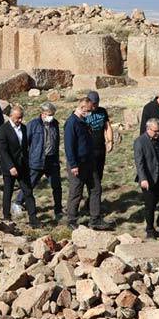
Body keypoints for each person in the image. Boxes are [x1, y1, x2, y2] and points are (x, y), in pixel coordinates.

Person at [15, 101, 62, 221]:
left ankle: (58, 210)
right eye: (49, 114)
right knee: (30, 184)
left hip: (52, 160)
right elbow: (25, 142)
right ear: (43, 113)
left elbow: (56, 142)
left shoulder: (55, 124)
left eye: (52, 114)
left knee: (57, 186)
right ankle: (17, 203)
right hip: (37, 160)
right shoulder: (33, 125)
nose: (51, 117)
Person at [64, 97, 103, 229]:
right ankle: (71, 220)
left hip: (89, 163)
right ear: (81, 108)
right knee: (76, 192)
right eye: (88, 110)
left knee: (96, 189)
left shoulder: (84, 121)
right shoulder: (71, 123)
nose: (90, 113)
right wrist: (73, 165)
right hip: (78, 164)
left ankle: (95, 219)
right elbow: (69, 147)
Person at [0, 105, 39, 226]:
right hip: (9, 167)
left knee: (28, 191)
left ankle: (33, 218)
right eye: (17, 118)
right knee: (8, 192)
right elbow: (3, 151)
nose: (20, 120)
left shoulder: (24, 128)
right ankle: (6, 216)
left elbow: (25, 147)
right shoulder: (3, 130)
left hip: (23, 166)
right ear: (11, 116)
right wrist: (11, 166)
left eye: (21, 118)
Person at [135, 118, 159, 239]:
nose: (158, 133)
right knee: (150, 205)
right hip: (149, 178)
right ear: (148, 129)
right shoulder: (140, 142)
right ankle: (150, 230)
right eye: (155, 131)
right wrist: (143, 179)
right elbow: (139, 162)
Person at [84, 91, 114, 204]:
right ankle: (93, 202)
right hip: (88, 151)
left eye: (97, 103)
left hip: (100, 149)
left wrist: (110, 141)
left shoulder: (102, 111)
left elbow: (107, 126)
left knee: (99, 176)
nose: (95, 106)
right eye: (93, 104)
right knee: (92, 177)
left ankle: (91, 201)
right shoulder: (84, 113)